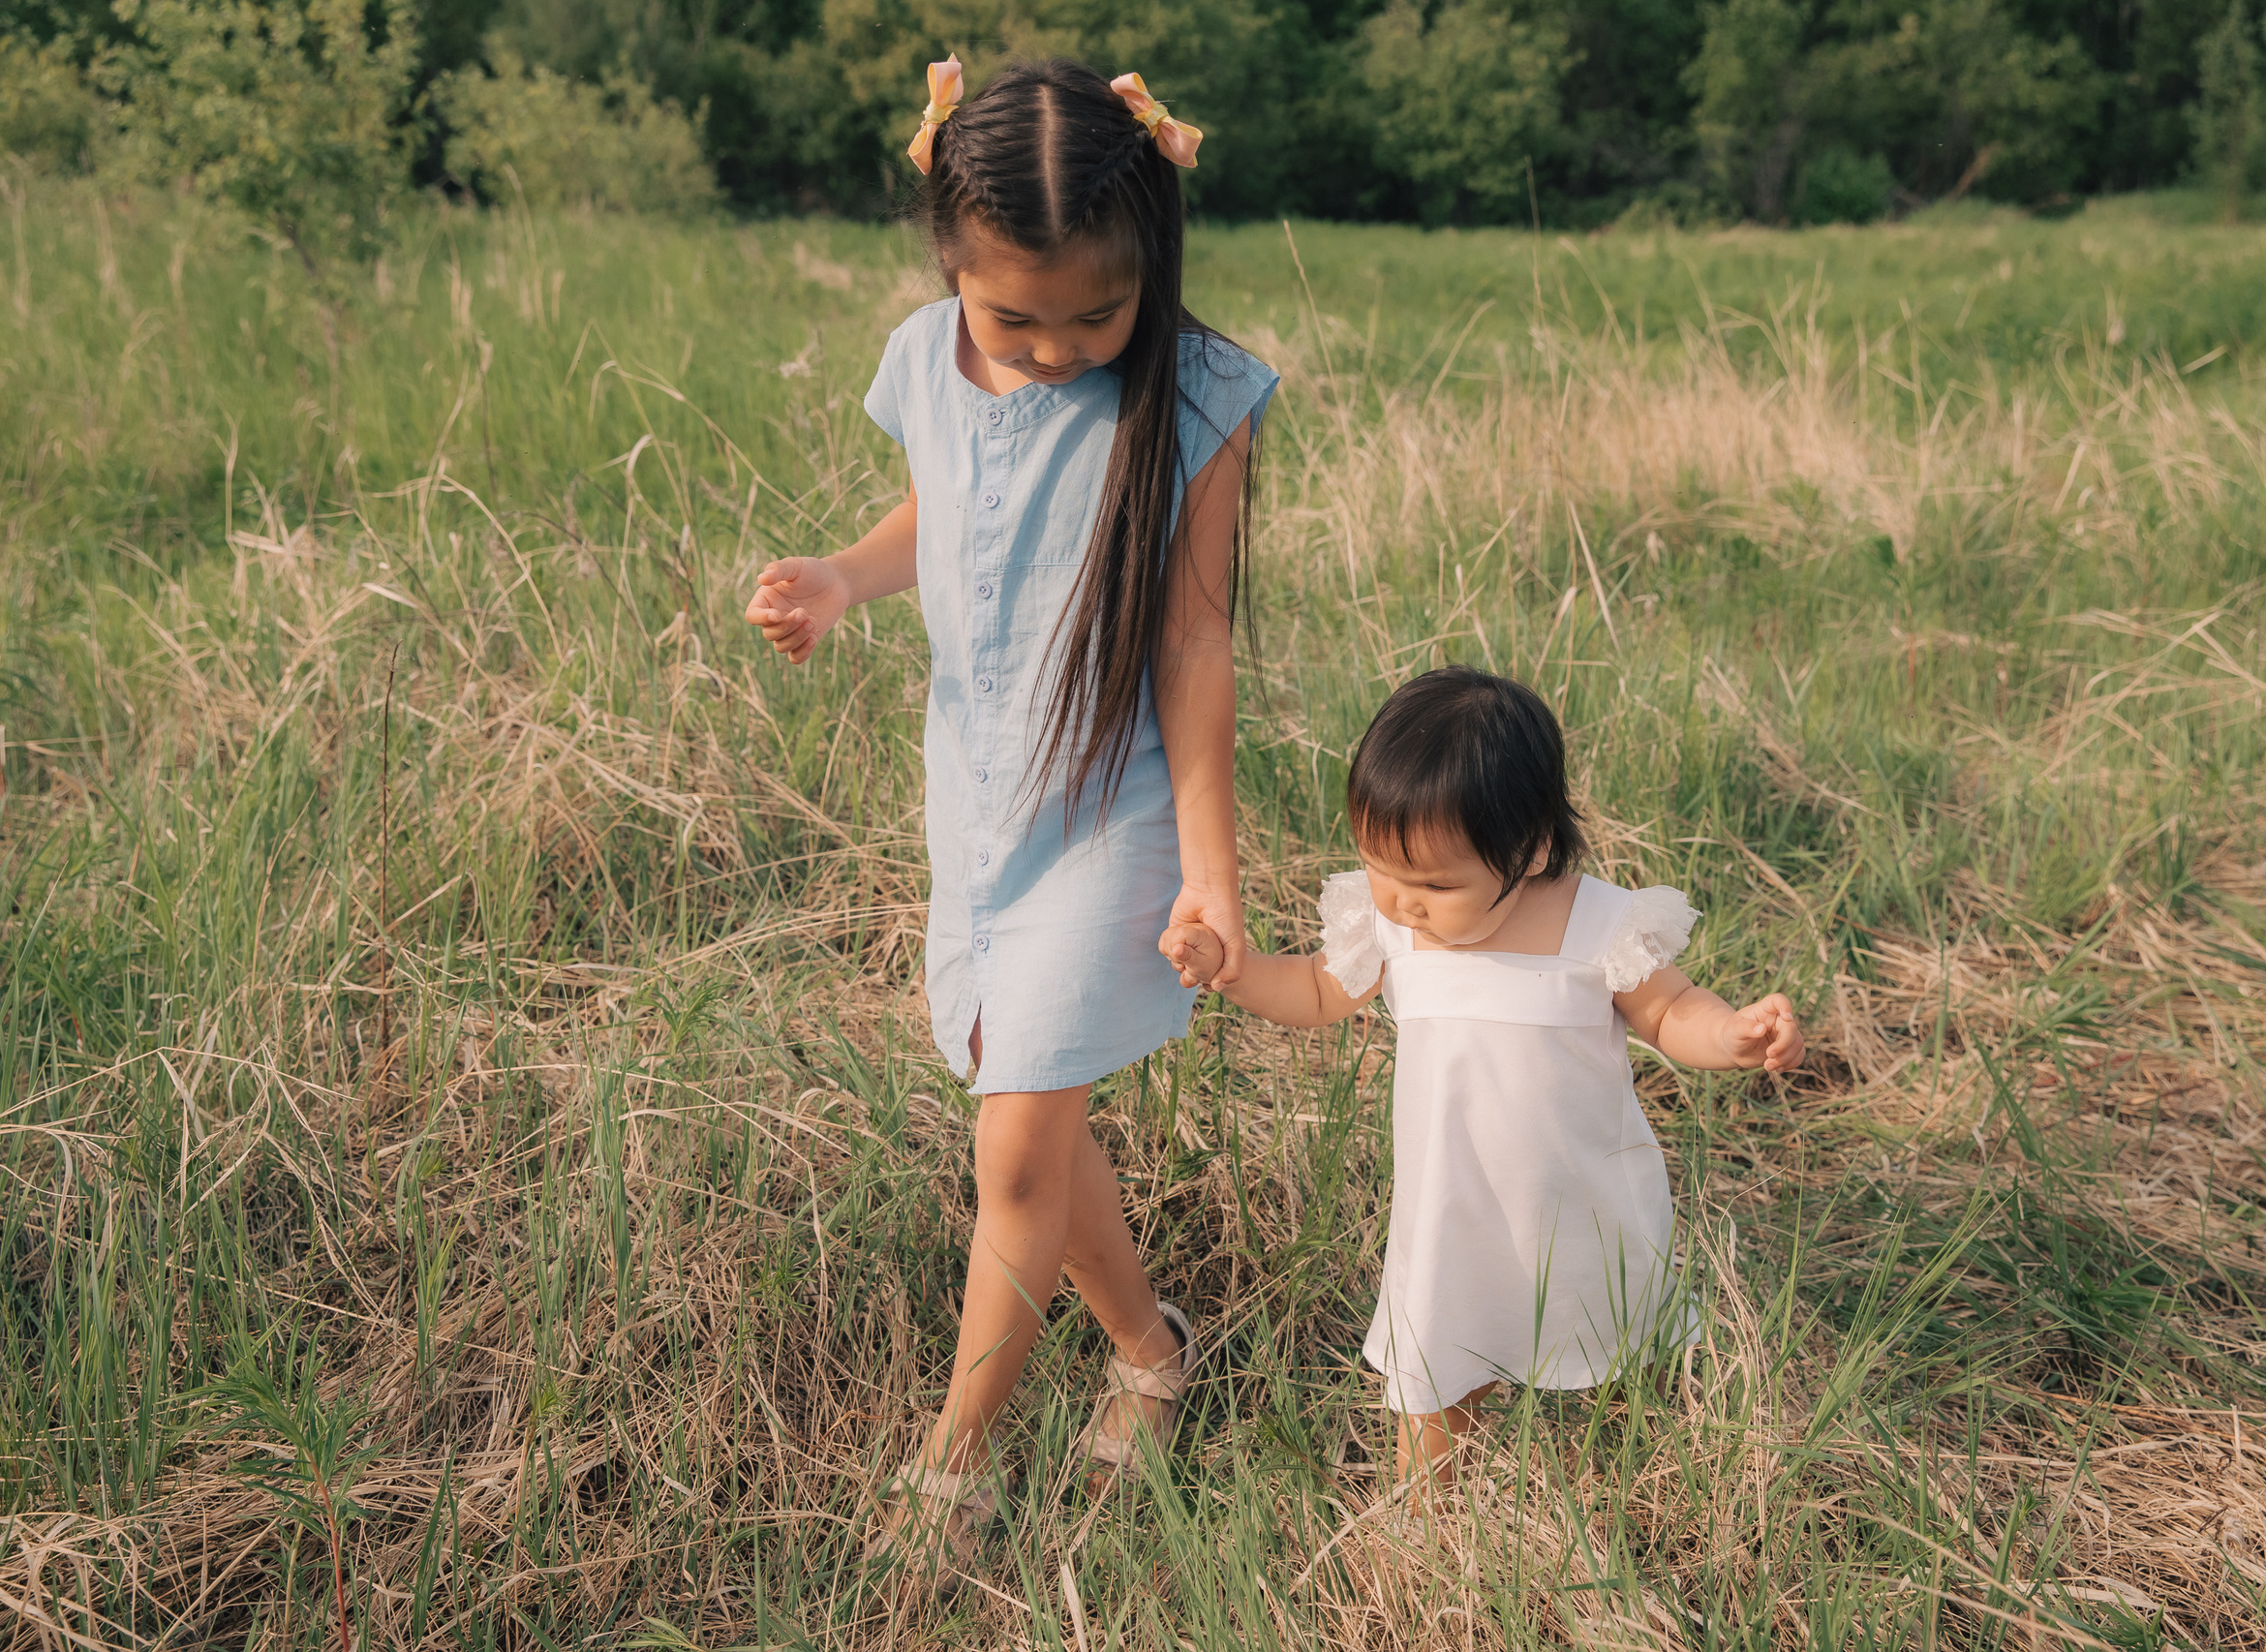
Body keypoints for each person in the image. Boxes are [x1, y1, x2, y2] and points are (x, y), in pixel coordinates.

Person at [744, 55, 1276, 1588]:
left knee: (1019, 1142)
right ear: (950, 267)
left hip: (1113, 815)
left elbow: (1192, 644)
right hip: (974, 799)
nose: (1052, 350)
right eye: (1014, 316)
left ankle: (952, 1459)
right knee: (1023, 1103)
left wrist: (1217, 872)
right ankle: (1153, 1350)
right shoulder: (927, 357)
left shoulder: (1196, 398)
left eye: (1093, 318)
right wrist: (847, 576)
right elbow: (948, 504)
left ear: (1151, 265)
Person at [1159, 666, 1804, 1499]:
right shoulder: (1392, 929)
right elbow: (1316, 993)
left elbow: (1671, 1011)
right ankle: (1424, 1514)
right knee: (1438, 1357)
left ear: (1530, 850)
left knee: (1604, 1336)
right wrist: (1230, 973)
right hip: (1451, 1208)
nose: (1404, 901)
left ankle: (1622, 1480)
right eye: (1381, 869)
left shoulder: (1598, 924)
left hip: (1582, 1202)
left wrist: (1733, 1033)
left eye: (1435, 885)